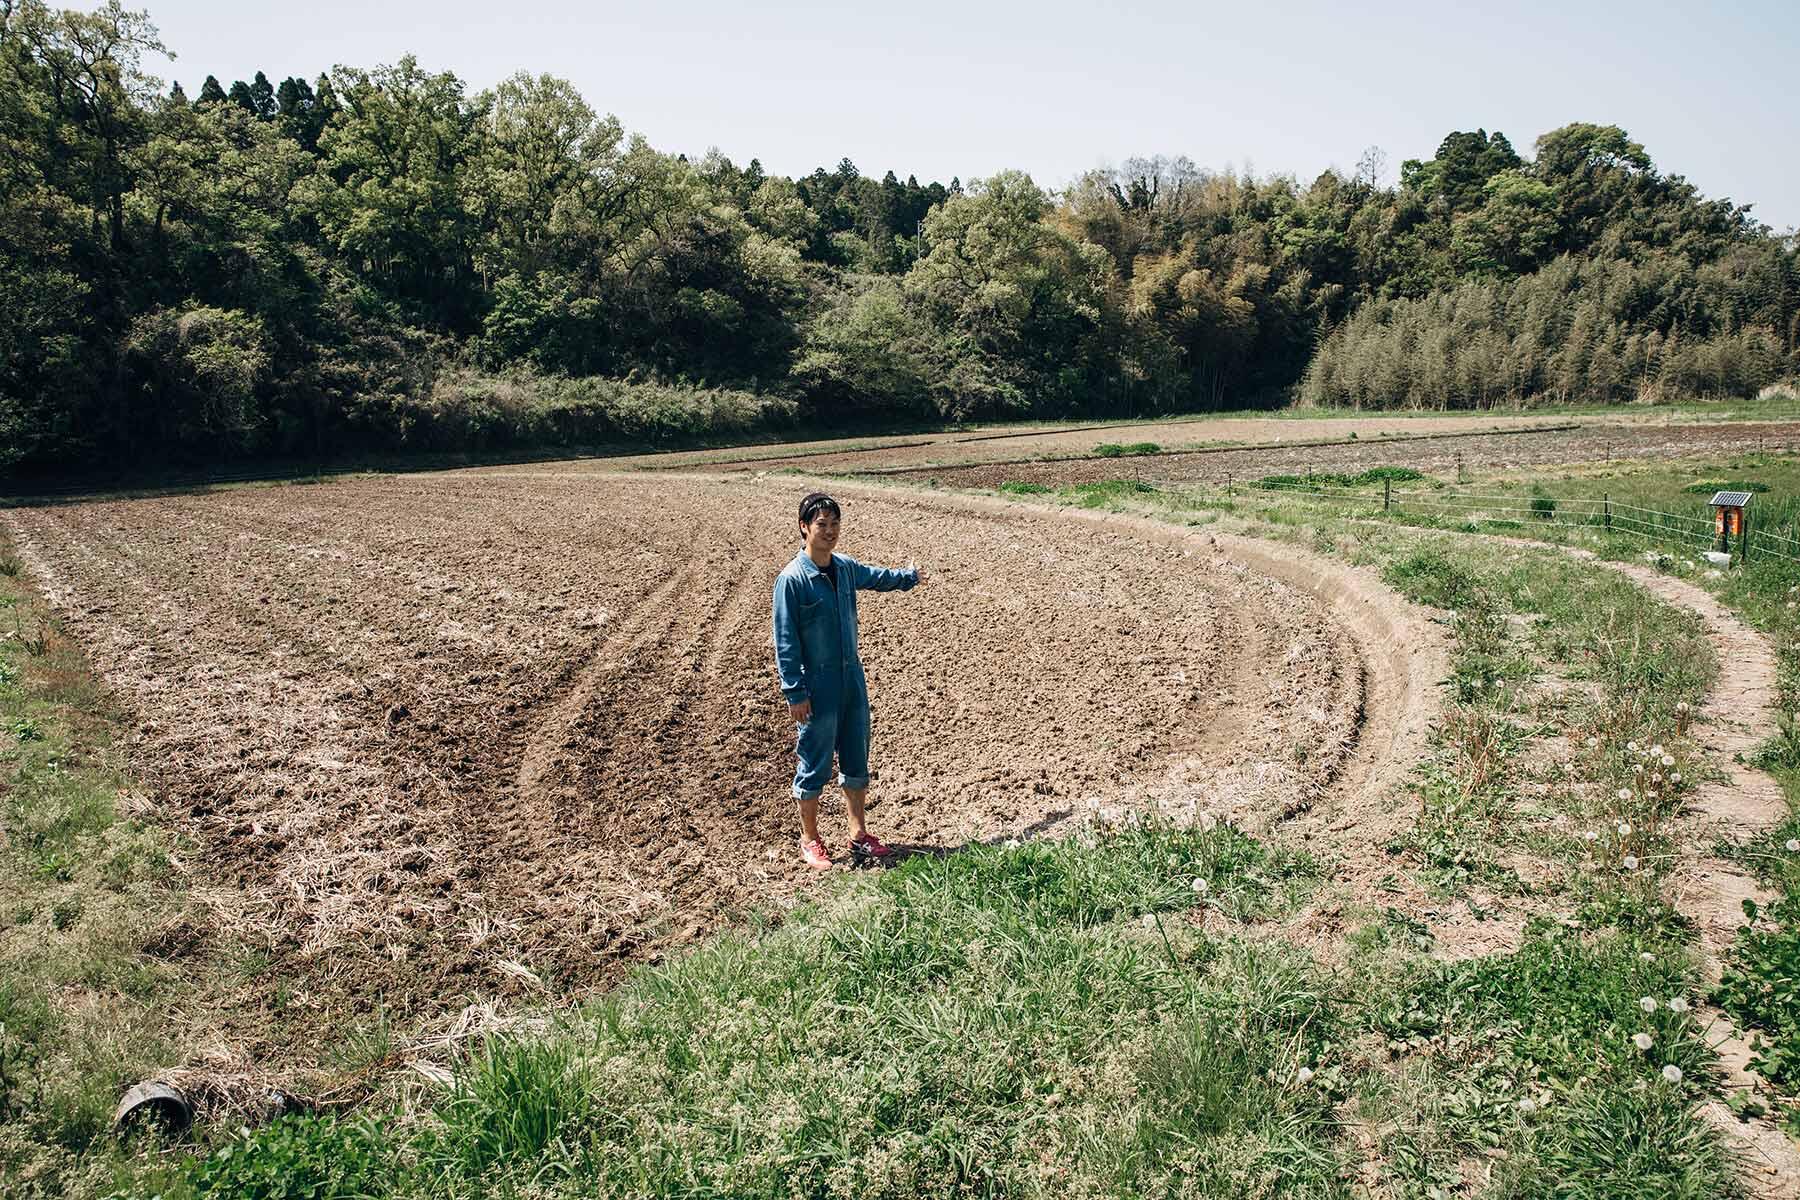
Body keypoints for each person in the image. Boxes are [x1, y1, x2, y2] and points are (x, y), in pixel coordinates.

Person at [771, 492, 924, 868]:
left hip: (851, 679)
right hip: (817, 685)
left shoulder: (844, 568)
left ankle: (859, 835)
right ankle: (810, 839)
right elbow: (785, 640)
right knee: (814, 763)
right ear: (804, 528)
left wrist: (909, 578)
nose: (829, 531)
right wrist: (795, 691)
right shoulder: (792, 581)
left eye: (834, 524)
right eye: (821, 524)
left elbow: (877, 577)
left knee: (857, 757)